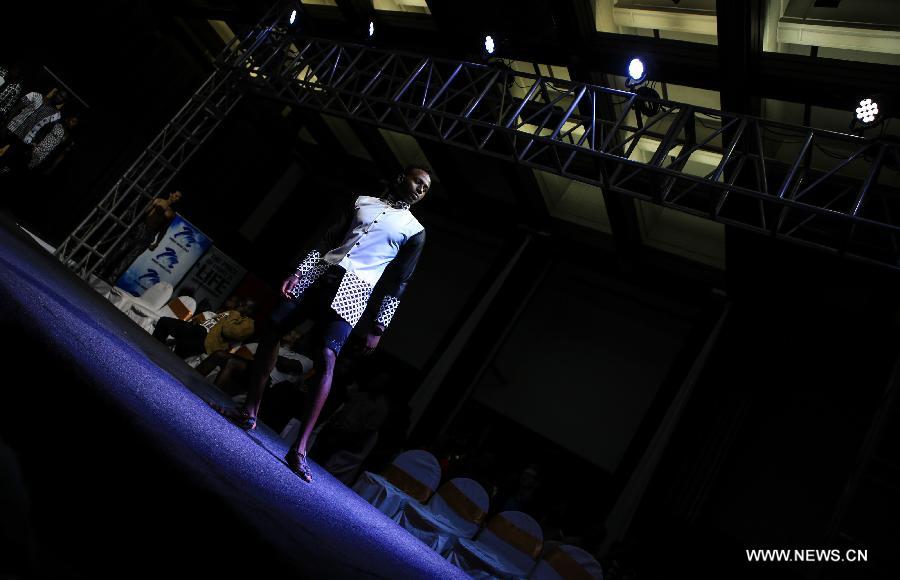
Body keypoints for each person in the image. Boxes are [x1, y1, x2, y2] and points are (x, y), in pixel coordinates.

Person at [214, 165, 431, 482]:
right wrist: (299, 272)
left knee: (327, 357)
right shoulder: (362, 201)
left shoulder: (414, 230)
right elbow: (329, 238)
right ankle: (249, 412)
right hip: (321, 273)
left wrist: (379, 326)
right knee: (273, 329)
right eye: (418, 181)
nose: (421, 189)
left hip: (356, 289)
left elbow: (400, 280)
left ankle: (300, 449)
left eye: (426, 189)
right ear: (401, 177)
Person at [98, 190, 182, 283]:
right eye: (175, 195)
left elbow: (163, 230)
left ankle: (111, 278)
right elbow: (144, 212)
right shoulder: (159, 201)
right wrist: (153, 205)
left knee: (130, 258)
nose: (176, 198)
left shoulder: (172, 214)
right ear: (171, 194)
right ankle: (102, 270)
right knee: (120, 250)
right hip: (141, 227)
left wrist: (157, 243)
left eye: (178, 198)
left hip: (150, 235)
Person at [152, 298, 256, 359]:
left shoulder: (248, 324)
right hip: (198, 330)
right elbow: (211, 323)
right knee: (164, 321)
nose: (240, 304)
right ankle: (152, 352)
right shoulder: (228, 313)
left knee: (181, 348)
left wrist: (235, 313)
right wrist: (200, 322)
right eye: (241, 302)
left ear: (250, 311)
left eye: (244, 304)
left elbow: (228, 332)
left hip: (206, 341)